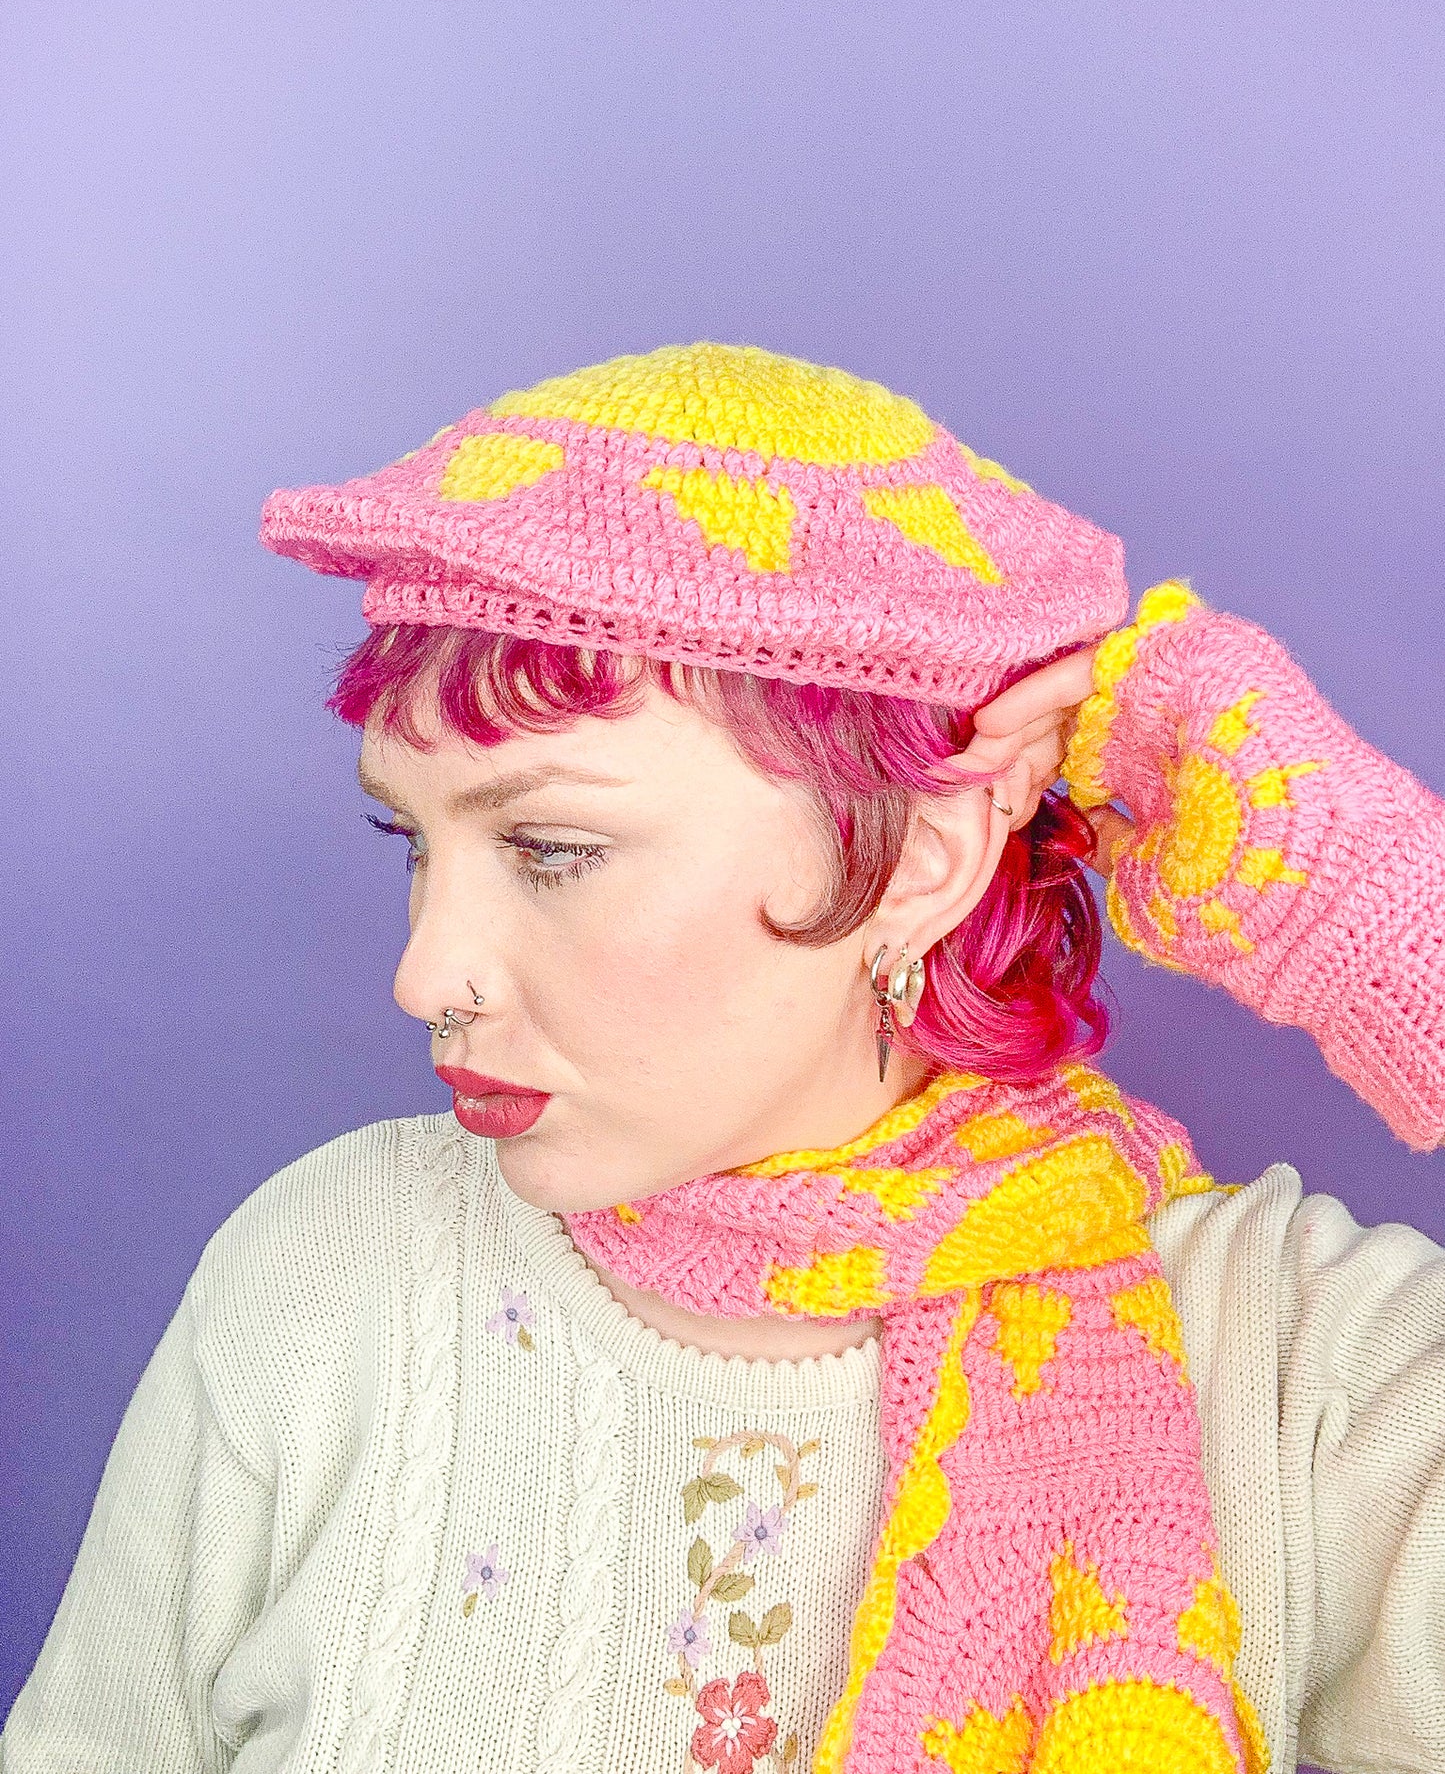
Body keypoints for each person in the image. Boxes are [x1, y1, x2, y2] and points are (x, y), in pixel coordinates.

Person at [4, 343, 1442, 1774]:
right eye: (411, 839)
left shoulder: (1282, 1370)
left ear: (916, 862)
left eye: (550, 848)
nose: (425, 975)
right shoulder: (326, 1277)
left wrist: (1370, 910)